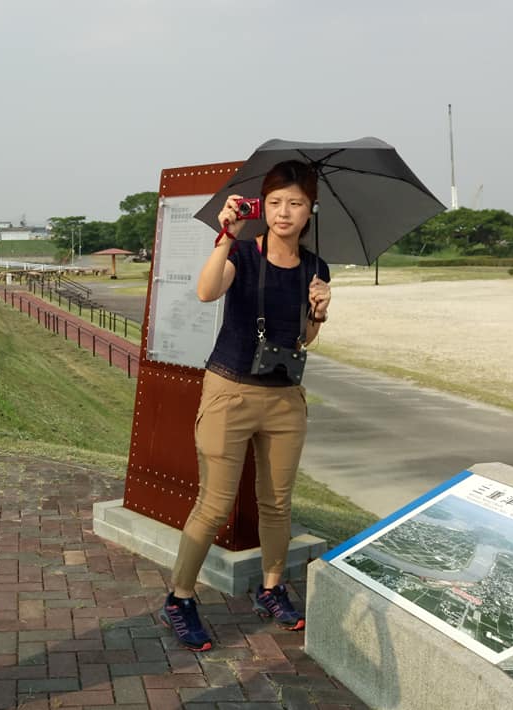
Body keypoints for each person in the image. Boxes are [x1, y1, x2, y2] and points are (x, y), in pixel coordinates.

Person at [160, 160, 332, 651]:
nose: (284, 212)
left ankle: (271, 589)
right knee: (214, 504)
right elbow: (206, 291)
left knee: (277, 503)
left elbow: (304, 338)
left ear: (310, 210)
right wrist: (225, 236)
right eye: (275, 202)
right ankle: (180, 598)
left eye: (296, 203)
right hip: (230, 391)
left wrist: (319, 312)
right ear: (263, 206)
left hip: (284, 399)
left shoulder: (316, 267)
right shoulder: (241, 252)